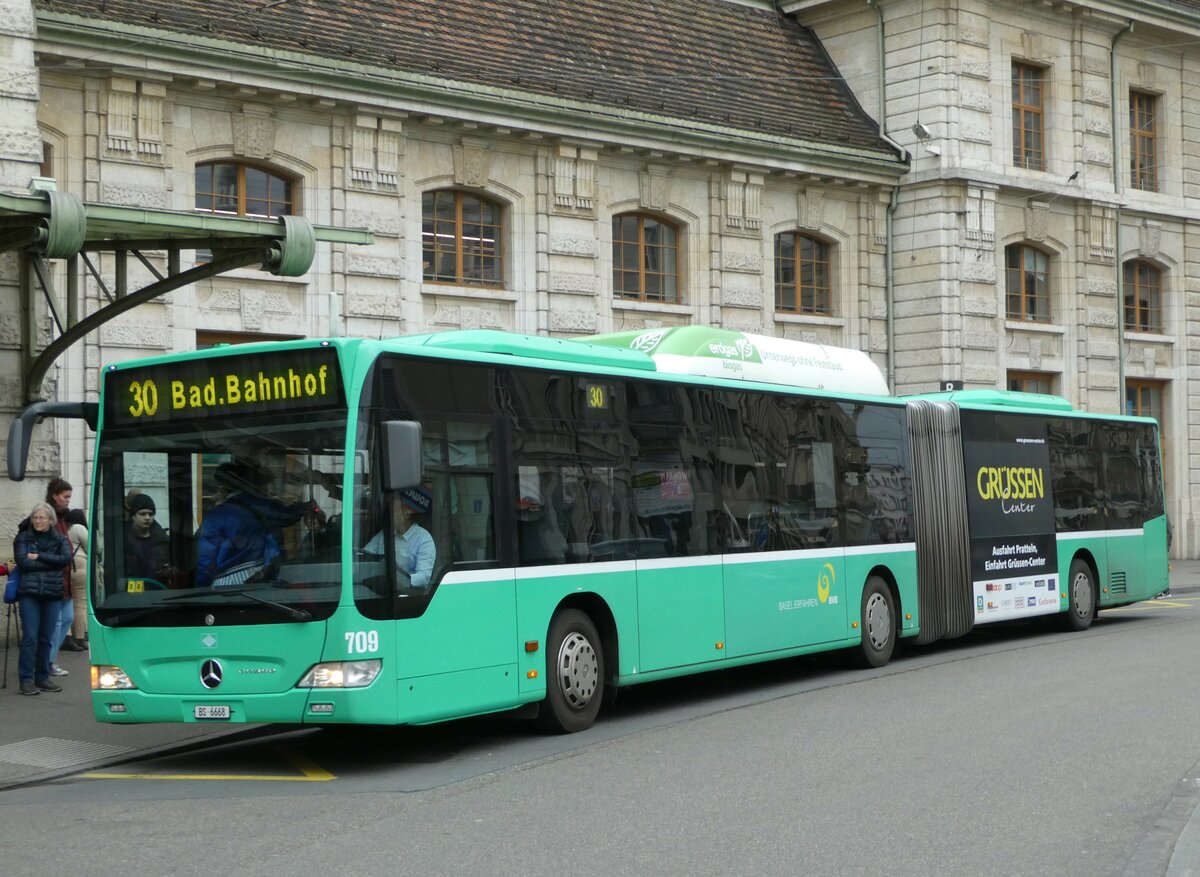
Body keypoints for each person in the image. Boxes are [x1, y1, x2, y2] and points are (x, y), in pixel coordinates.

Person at [195, 460, 323, 589]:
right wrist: (306, 507)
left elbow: (206, 560)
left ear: (222, 489)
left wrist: (200, 589)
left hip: (226, 585)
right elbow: (287, 516)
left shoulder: (215, 516)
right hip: (263, 580)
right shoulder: (263, 505)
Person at [14, 502, 72, 695]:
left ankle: (42, 677)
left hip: (52, 594)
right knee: (30, 637)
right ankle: (26, 680)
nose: (37, 521)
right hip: (29, 593)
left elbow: (64, 560)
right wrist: (50, 563)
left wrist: (38, 556)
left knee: (46, 638)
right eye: (35, 518)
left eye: (41, 518)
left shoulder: (60, 538)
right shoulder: (24, 537)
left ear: (50, 520)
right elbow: (23, 563)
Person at [362, 486, 436, 589]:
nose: (388, 515)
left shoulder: (424, 539)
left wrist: (397, 580)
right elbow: (364, 557)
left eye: (393, 510)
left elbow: (423, 578)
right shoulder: (383, 535)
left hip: (407, 597)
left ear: (407, 512)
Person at [124, 493, 170, 580]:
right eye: (143, 514)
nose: (147, 517)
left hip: (158, 589)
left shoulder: (163, 540)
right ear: (133, 516)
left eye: (151, 514)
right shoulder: (123, 540)